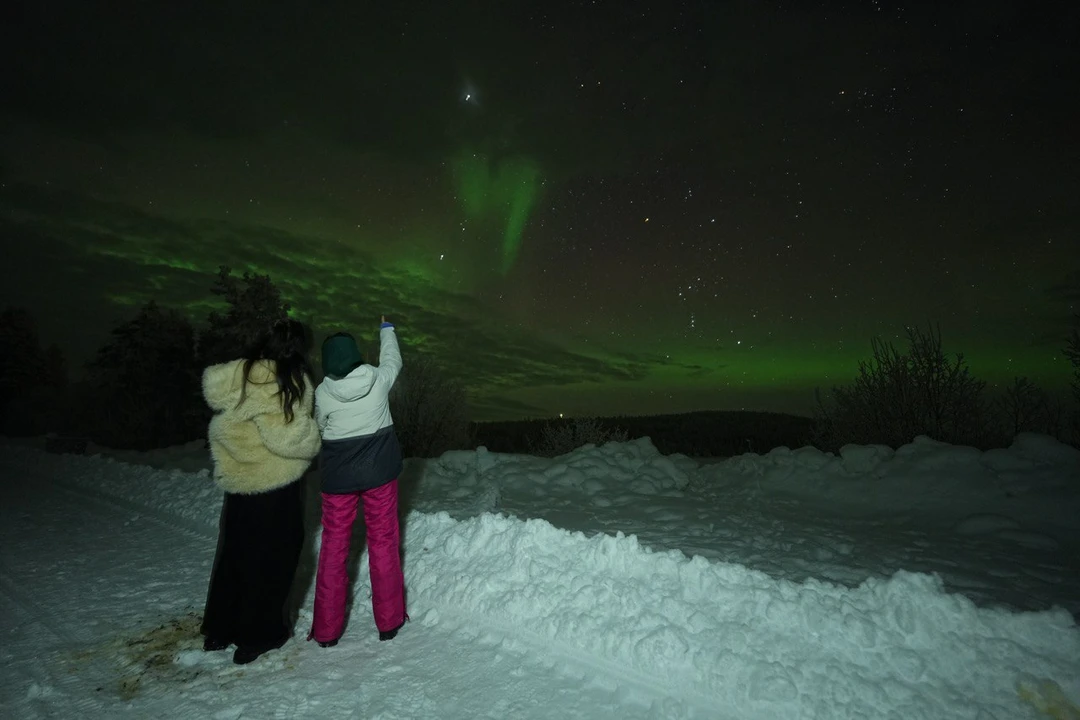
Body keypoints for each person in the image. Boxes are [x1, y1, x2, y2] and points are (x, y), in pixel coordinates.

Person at [200, 319, 322, 665]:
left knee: (234, 555)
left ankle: (220, 631)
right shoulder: (291, 379)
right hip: (277, 483)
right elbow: (287, 437)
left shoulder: (238, 372)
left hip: (239, 482)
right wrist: (314, 437)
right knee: (272, 560)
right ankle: (258, 638)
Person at [309, 316, 407, 647]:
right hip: (379, 474)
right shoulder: (377, 380)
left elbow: (320, 429)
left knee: (335, 547)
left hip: (338, 481)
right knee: (383, 542)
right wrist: (387, 330)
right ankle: (389, 623)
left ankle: (326, 631)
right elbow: (393, 360)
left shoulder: (322, 393)